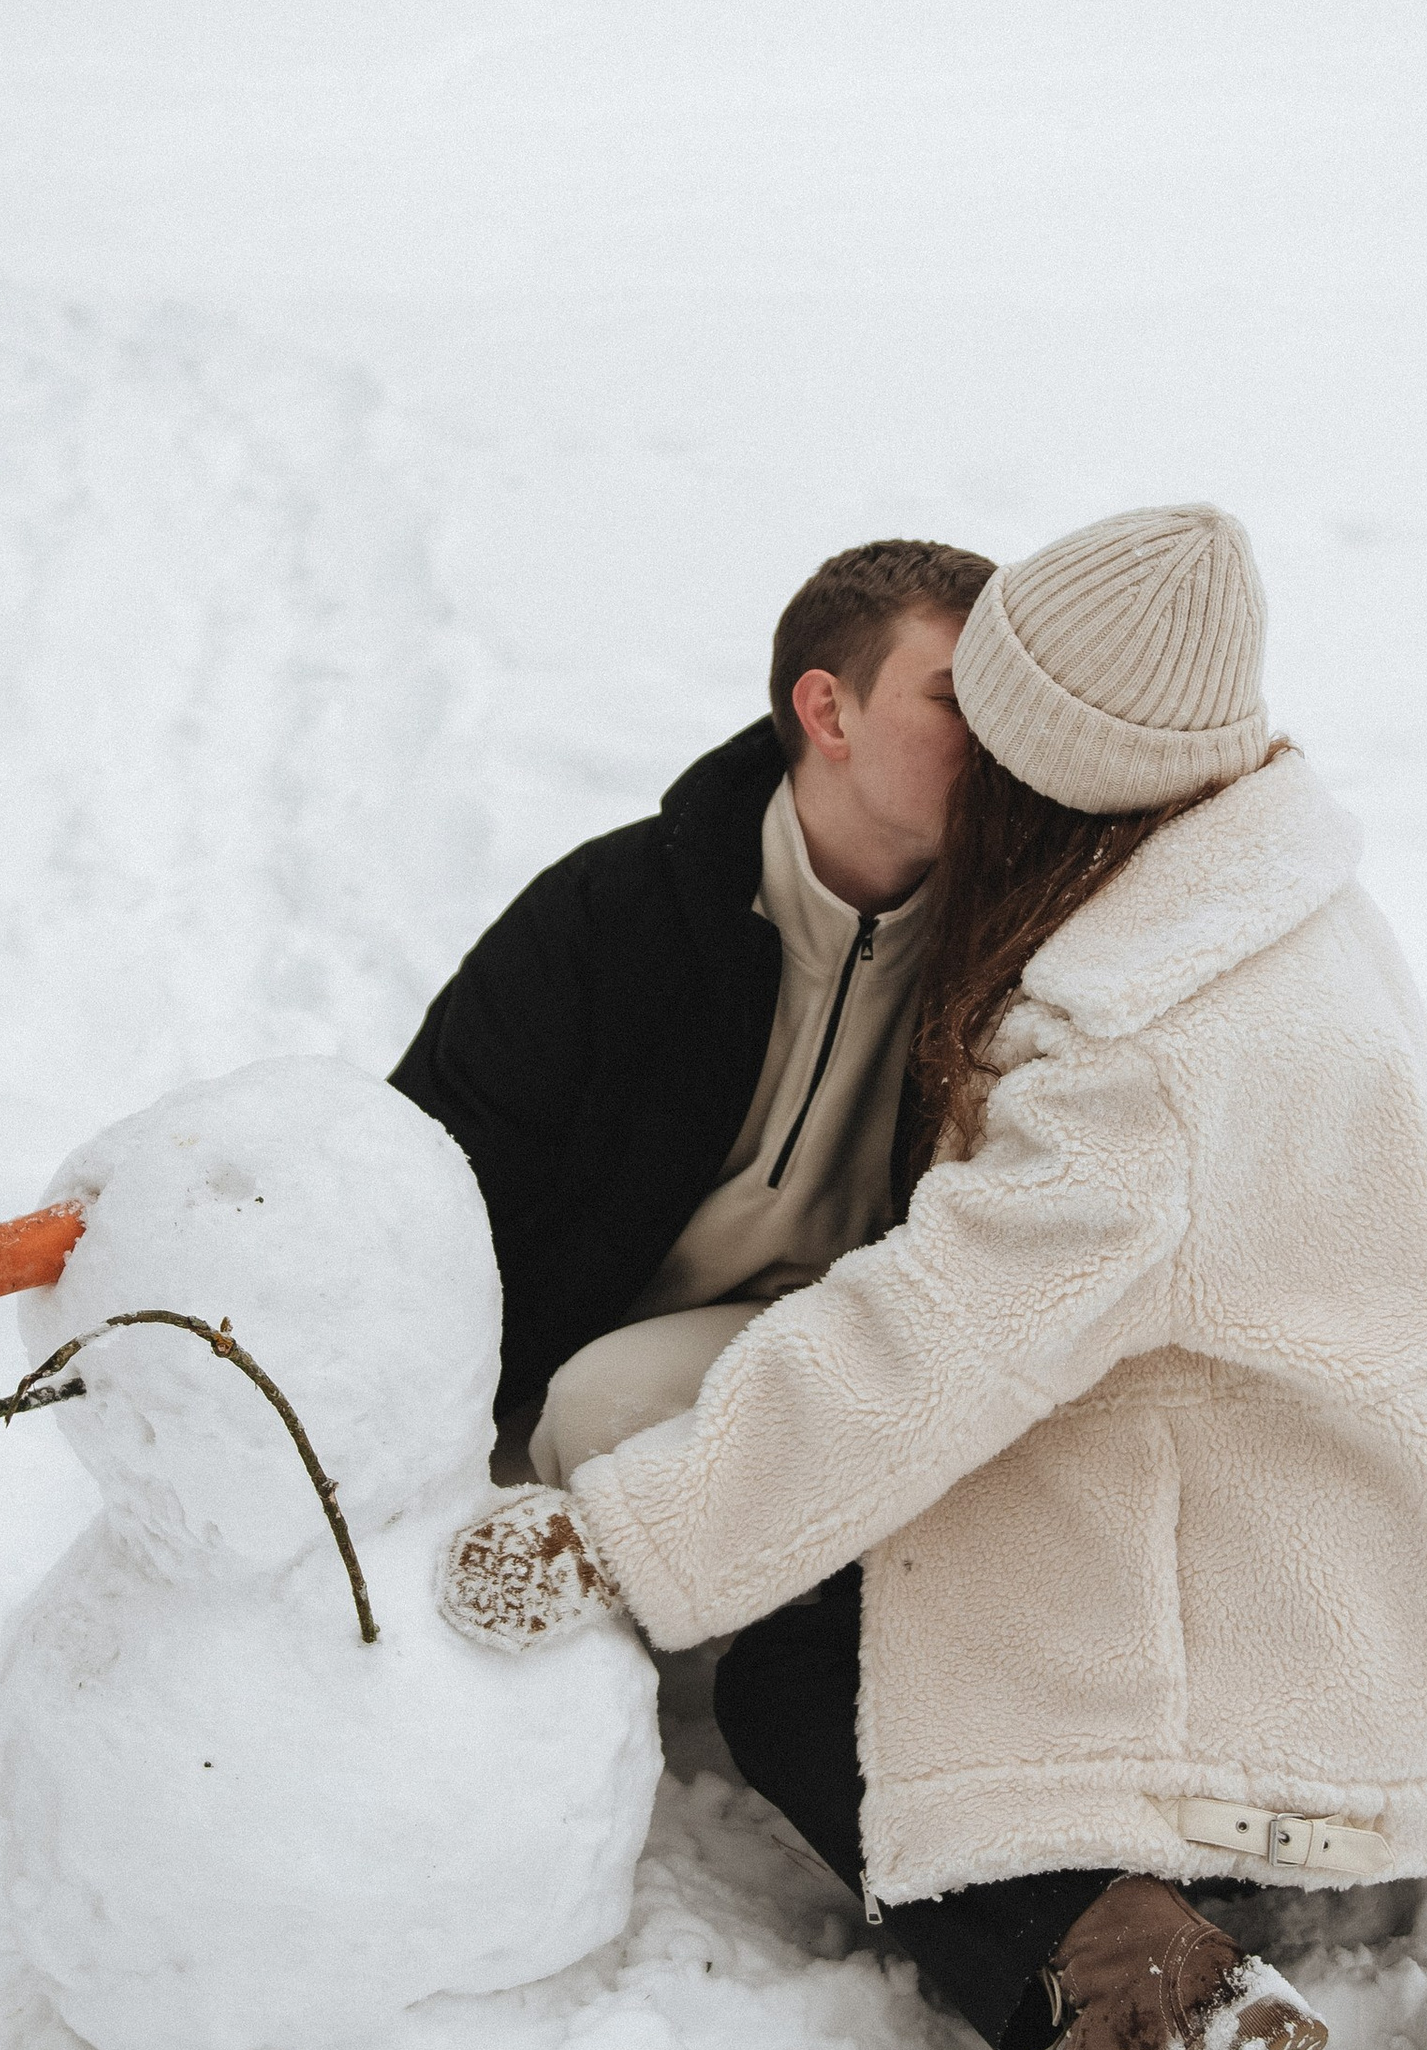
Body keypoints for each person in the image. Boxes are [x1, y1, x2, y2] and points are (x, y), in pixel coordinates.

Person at [439, 505, 1427, 2050]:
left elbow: (934, 1345)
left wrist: (626, 1538)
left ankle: (1143, 1985)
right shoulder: (1262, 885)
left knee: (807, 1678)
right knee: (886, 1583)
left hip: (1315, 1626)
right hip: (1374, 1539)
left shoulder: (1147, 1039)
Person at [391, 536, 994, 1479]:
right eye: (960, 699)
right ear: (828, 710)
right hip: (567, 1391)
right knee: (593, 1404)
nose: (1001, 733)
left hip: (867, 1368)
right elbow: (414, 1183)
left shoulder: (1009, 949)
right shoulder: (610, 918)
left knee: (608, 1404)